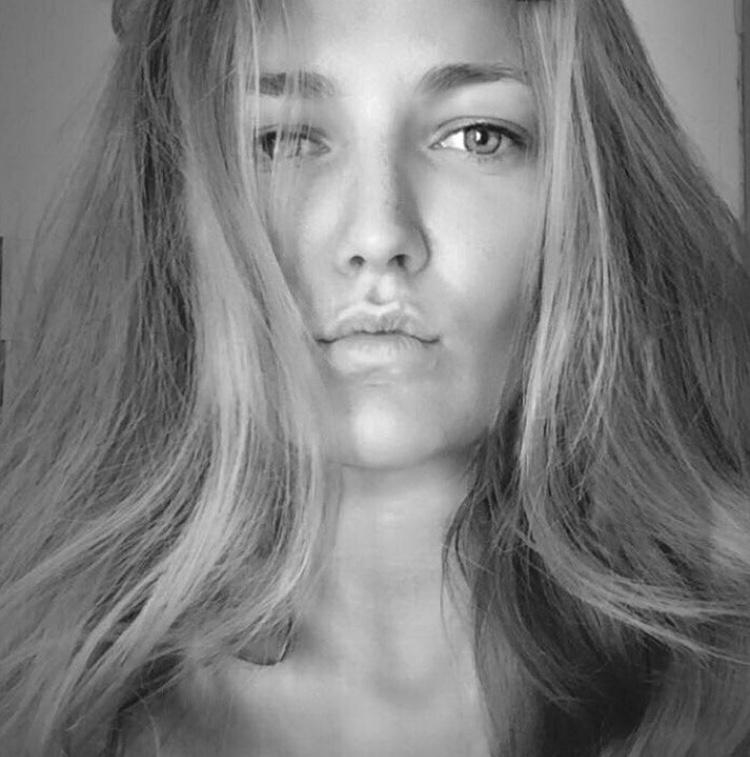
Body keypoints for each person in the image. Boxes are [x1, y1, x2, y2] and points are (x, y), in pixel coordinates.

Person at [2, 0, 750, 754]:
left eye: (477, 136)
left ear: (594, 199)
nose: (379, 235)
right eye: (281, 139)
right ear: (170, 210)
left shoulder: (726, 689)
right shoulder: (50, 715)